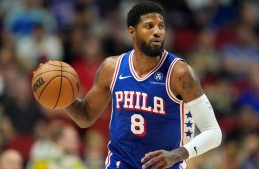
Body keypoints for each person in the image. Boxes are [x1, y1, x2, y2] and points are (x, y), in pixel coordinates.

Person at [64, 1, 222, 168]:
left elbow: (213, 132)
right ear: (132, 31)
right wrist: (64, 98)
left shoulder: (180, 73)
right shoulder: (112, 68)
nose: (157, 32)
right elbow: (85, 117)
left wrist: (177, 155)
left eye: (161, 26)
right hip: (120, 164)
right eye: (149, 26)